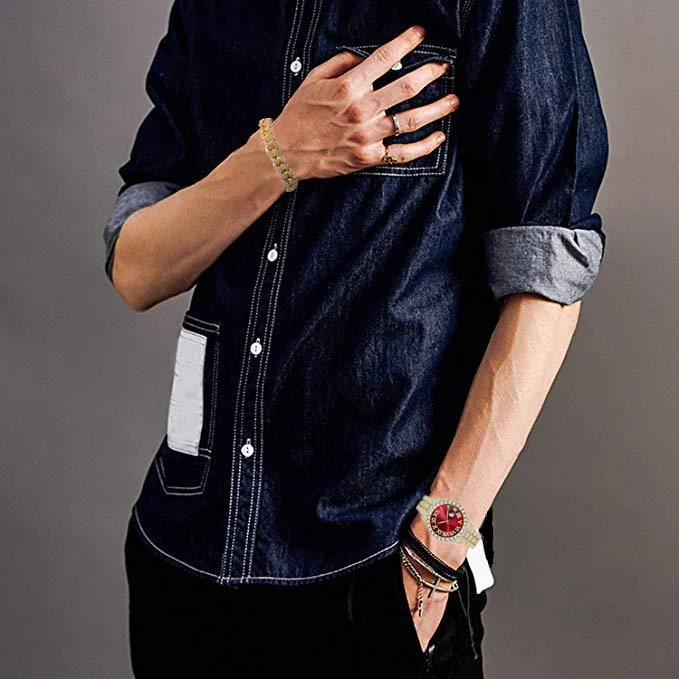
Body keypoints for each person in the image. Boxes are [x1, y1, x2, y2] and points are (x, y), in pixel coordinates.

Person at [103, 1, 608, 677]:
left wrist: (435, 555)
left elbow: (546, 279)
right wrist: (278, 154)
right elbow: (137, 270)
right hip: (185, 556)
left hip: (379, 567)